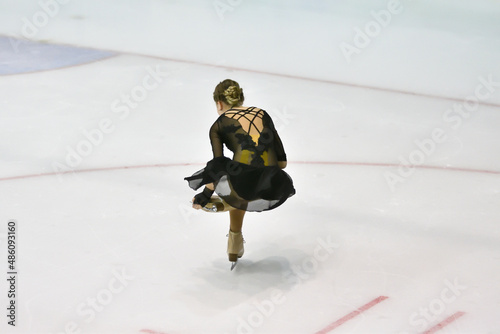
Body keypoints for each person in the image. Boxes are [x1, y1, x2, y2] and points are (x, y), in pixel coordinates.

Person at [184, 79, 295, 265]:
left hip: (242, 187)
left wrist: (205, 193)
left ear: (219, 103)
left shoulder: (218, 125)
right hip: (275, 184)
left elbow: (217, 166)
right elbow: (282, 162)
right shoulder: (263, 114)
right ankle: (234, 238)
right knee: (242, 170)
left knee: (230, 170)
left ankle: (230, 220)